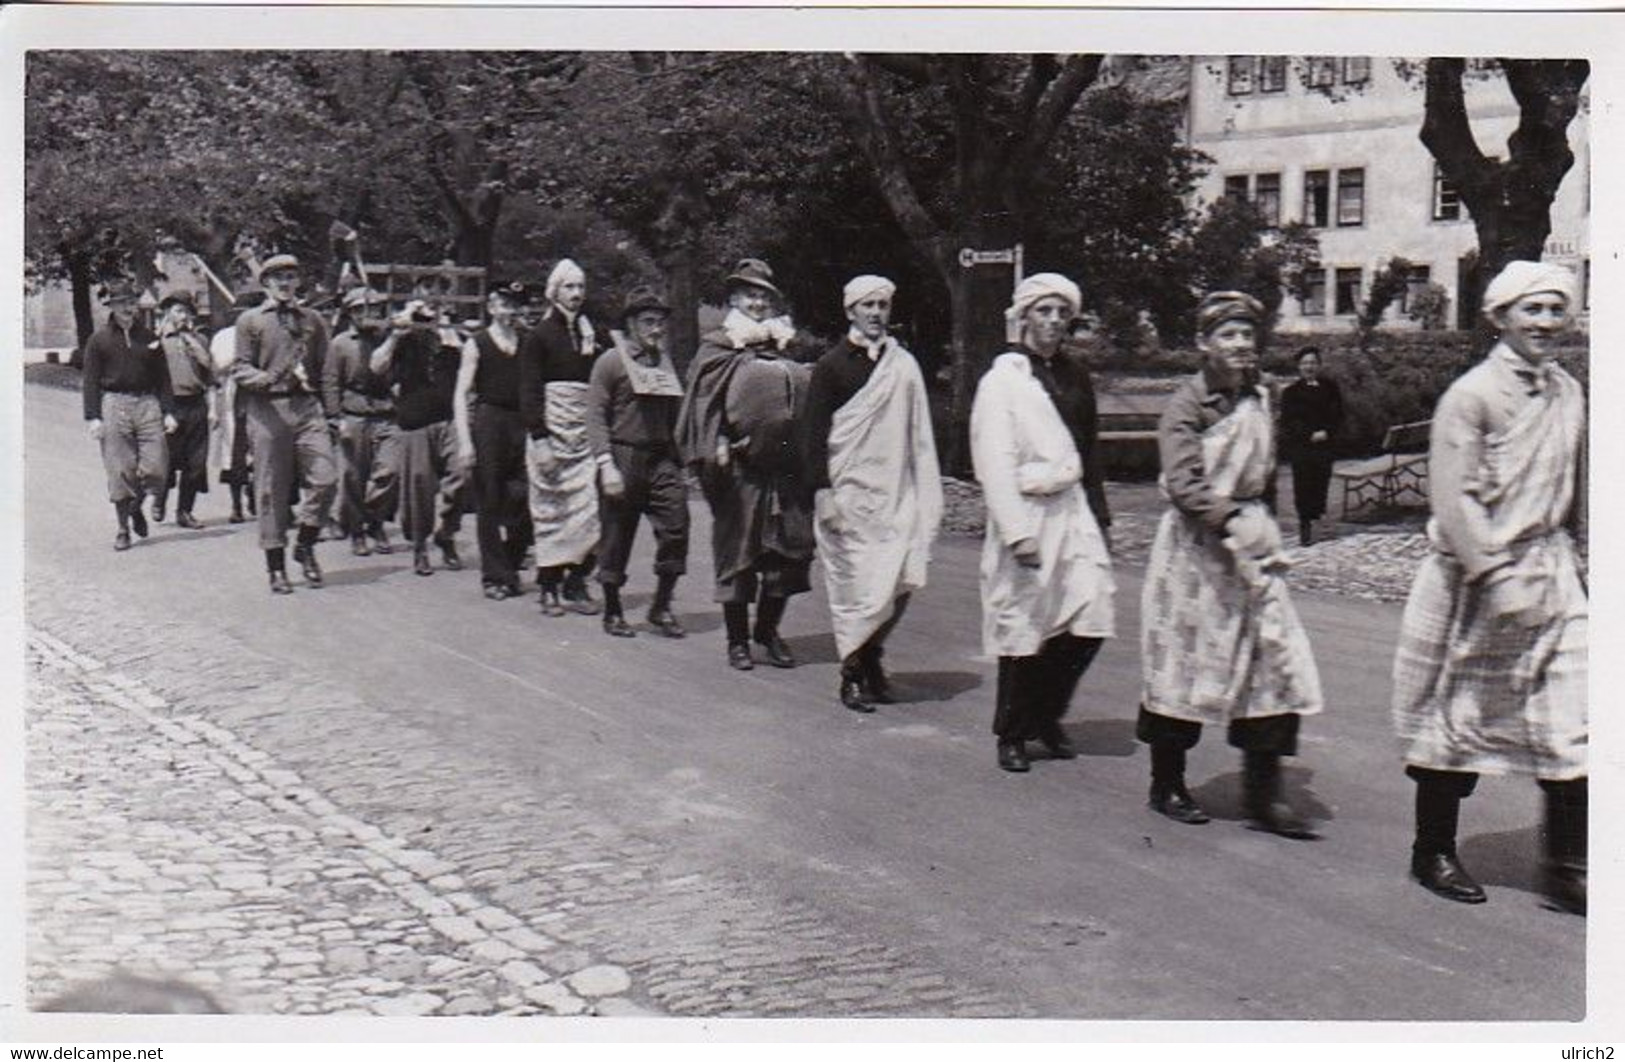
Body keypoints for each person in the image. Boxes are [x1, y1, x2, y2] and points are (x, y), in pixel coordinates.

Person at [1391, 261, 1587, 914]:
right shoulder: (1470, 397)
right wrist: (1496, 577)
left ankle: (1568, 865)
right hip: (1476, 581)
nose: (1545, 322)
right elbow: (1453, 500)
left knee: (1579, 716)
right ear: (1498, 317)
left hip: (1551, 574)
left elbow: (1575, 486)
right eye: (1530, 309)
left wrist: (1583, 557)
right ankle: (1432, 851)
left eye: (1555, 309)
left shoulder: (1568, 392)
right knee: (1456, 722)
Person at [1137, 290, 1322, 836]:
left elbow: (1263, 470)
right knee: (1184, 665)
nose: (1241, 344)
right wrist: (1230, 519)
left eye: (1247, 334)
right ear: (1204, 344)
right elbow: (1183, 483)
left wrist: (1265, 523)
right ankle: (1167, 782)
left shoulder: (1263, 396)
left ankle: (1263, 792)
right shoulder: (1187, 407)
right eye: (1228, 335)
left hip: (1252, 551)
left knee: (1271, 663)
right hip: (1197, 553)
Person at [970, 274, 1113, 771]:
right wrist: (1017, 531)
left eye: (1061, 313)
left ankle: (1046, 712)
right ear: (1025, 316)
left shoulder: (1074, 375)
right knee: (1024, 622)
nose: (1053, 321)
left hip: (1072, 508)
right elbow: (993, 457)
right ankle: (1011, 731)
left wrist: (1100, 519)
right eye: (1044, 311)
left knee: (1089, 616)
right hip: (1027, 509)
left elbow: (1088, 449)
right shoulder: (1003, 380)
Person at [805, 275, 942, 712]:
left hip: (895, 494)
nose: (877, 313)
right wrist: (822, 492)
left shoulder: (903, 366)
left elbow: (918, 433)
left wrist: (924, 490)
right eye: (869, 305)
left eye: (883, 305)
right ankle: (852, 672)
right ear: (851, 311)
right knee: (855, 589)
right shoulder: (831, 367)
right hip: (849, 496)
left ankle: (871, 657)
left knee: (900, 581)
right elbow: (811, 435)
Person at [676, 259, 816, 671]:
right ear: (735, 299)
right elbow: (705, 401)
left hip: (787, 471)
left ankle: (767, 631)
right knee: (738, 554)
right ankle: (737, 640)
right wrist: (717, 440)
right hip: (741, 469)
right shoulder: (719, 345)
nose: (757, 302)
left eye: (764, 296)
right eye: (749, 295)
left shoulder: (783, 342)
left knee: (790, 551)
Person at [585, 286, 691, 637]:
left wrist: (679, 459)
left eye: (660, 323)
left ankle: (661, 605)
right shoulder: (611, 361)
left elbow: (673, 410)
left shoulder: (663, 361)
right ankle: (613, 609)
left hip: (660, 456)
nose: (656, 329)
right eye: (648, 322)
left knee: (676, 525)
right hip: (623, 452)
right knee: (617, 533)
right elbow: (595, 415)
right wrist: (605, 464)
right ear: (631, 323)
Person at [230, 254, 340, 593]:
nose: (285, 283)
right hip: (268, 410)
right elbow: (240, 368)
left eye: (291, 276)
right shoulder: (251, 320)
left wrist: (333, 414)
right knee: (270, 490)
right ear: (265, 283)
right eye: (277, 277)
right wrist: (268, 378)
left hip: (307, 408)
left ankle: (305, 544)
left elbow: (328, 371)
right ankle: (275, 566)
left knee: (326, 479)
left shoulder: (313, 320)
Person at [520, 258, 605, 615]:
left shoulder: (589, 332)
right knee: (551, 508)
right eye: (569, 287)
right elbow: (529, 390)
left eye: (581, 287)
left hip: (582, 433)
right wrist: (540, 439)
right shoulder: (539, 336)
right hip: (552, 432)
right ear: (555, 291)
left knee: (586, 509)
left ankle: (576, 580)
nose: (576, 294)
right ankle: (549, 584)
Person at [370, 298, 467, 576]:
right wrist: (397, 334)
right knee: (419, 485)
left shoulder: (452, 338)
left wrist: (448, 331)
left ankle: (446, 533)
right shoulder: (404, 339)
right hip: (415, 421)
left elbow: (469, 361)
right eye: (422, 316)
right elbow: (377, 367)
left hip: (449, 419)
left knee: (462, 474)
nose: (428, 321)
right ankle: (420, 545)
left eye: (432, 314)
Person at [454, 282, 534, 600]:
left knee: (526, 496)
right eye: (503, 304)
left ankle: (511, 562)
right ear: (491, 307)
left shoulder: (527, 342)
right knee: (488, 500)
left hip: (521, 423)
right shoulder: (477, 343)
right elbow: (461, 394)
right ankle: (494, 576)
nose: (509, 311)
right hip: (489, 422)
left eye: (514, 305)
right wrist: (464, 440)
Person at [82, 279, 175, 551]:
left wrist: (169, 411)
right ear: (111, 306)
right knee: (120, 470)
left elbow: (164, 379)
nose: (127, 308)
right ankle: (123, 528)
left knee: (158, 469)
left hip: (147, 403)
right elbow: (90, 380)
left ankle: (136, 507)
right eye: (121, 303)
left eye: (131, 302)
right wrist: (93, 417)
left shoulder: (149, 338)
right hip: (114, 403)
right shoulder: (98, 340)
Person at [322, 286, 399, 557]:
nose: (366, 314)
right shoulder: (341, 344)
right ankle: (357, 530)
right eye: (358, 310)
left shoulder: (389, 339)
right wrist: (335, 418)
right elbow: (331, 381)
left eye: (373, 308)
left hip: (387, 414)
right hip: (354, 415)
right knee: (352, 476)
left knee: (390, 471)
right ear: (350, 313)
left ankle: (375, 521)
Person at [151, 292, 217, 529]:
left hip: (196, 403)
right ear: (168, 313)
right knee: (166, 460)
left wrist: (190, 340)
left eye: (186, 311)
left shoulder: (198, 340)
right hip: (170, 405)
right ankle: (159, 499)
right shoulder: (158, 341)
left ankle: (185, 511)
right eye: (178, 311)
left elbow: (210, 368)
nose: (182, 316)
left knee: (195, 464)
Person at [1279, 345, 1344, 546]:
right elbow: (1289, 421)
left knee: (1321, 481)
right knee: (1303, 484)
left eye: (1313, 363)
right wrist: (1308, 434)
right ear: (1299, 366)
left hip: (1324, 445)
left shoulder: (1330, 388)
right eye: (1305, 363)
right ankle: (1305, 524)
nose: (1309, 367)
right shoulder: (1291, 392)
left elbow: (1338, 414)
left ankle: (1319, 519)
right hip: (1302, 447)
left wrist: (1327, 431)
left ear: (1319, 365)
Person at [210, 290, 264, 525]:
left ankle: (256, 494)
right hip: (234, 394)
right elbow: (218, 367)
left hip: (261, 393)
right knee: (235, 450)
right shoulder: (225, 336)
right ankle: (236, 506)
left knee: (261, 446)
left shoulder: (264, 332)